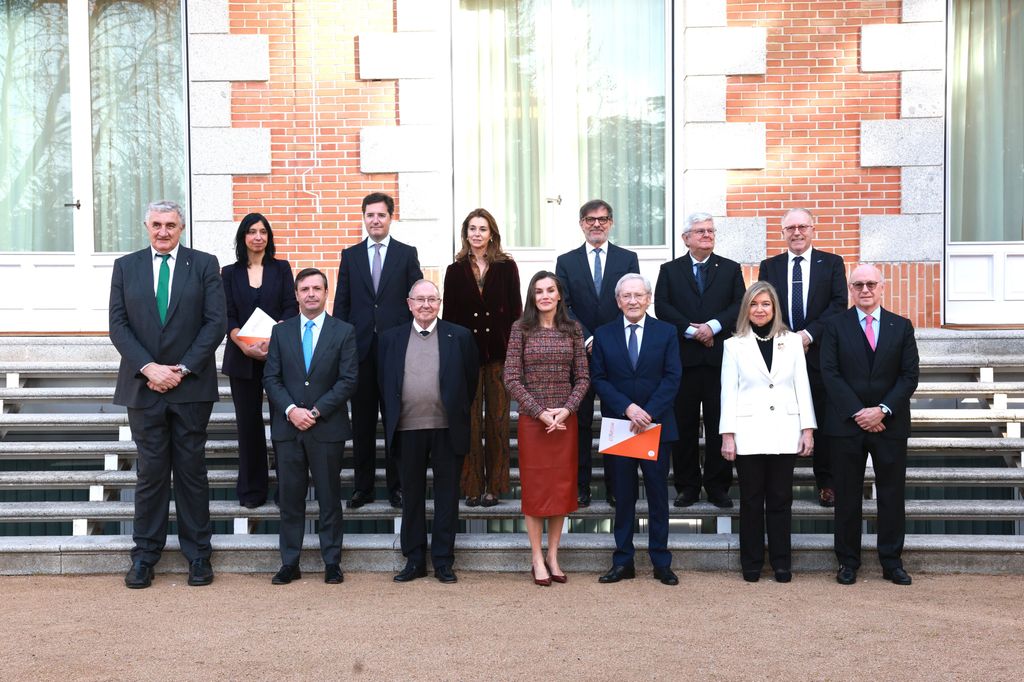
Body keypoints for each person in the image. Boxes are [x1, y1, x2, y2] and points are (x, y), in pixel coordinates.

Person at [109, 200, 226, 589]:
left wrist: (181, 368)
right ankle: (144, 556)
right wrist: (149, 368)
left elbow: (215, 323)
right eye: (156, 224)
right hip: (143, 388)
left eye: (171, 225)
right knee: (151, 474)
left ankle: (198, 557)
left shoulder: (205, 264)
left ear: (182, 228)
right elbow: (118, 325)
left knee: (192, 473)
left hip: (190, 387)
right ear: (146, 226)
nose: (163, 231)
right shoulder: (125, 267)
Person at [820, 264, 919, 586]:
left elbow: (909, 376)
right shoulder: (835, 326)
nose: (865, 290)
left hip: (890, 425)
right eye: (858, 284)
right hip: (846, 426)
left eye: (871, 284)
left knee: (891, 495)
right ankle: (847, 562)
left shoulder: (901, 326)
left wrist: (882, 410)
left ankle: (892, 561)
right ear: (850, 289)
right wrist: (859, 413)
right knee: (847, 496)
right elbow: (830, 373)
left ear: (882, 287)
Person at [379, 280, 479, 584]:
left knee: (447, 497)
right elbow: (384, 383)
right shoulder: (390, 339)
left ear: (440, 303)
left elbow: (470, 382)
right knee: (411, 497)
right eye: (420, 299)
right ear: (409, 303)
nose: (426, 305)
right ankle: (414, 560)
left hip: (447, 428)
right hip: (407, 428)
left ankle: (443, 561)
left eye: (432, 299)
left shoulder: (459, 336)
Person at [262, 268, 358, 585]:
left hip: (326, 428)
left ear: (326, 292)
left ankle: (332, 561)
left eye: (317, 288)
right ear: (296, 294)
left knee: (329, 498)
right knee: (290, 499)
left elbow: (348, 380)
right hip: (288, 430)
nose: (311, 294)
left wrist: (315, 412)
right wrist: (291, 410)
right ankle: (290, 562)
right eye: (305, 289)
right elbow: (271, 378)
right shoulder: (281, 332)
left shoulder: (343, 331)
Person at [720, 281, 816, 583]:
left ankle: (781, 563)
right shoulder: (733, 345)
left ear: (774, 308)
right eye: (754, 304)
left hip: (785, 431)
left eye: (766, 304)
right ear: (746, 308)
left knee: (780, 500)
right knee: (750, 501)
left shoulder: (792, 341)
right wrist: (727, 435)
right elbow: (728, 391)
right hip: (748, 432)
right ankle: (750, 563)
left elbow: (803, 385)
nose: (760, 310)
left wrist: (807, 429)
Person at [333, 192, 423, 509]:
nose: (375, 220)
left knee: (396, 421)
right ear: (364, 217)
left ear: (390, 217)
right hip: (359, 353)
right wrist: (338, 349)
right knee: (363, 423)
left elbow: (419, 300)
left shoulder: (406, 254)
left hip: (397, 352)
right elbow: (342, 304)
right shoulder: (351, 255)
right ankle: (363, 487)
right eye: (370, 215)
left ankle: (397, 488)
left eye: (381, 215)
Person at [591, 274, 682, 586]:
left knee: (658, 496)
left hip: (656, 426)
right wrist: (628, 407)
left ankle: (661, 561)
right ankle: (623, 561)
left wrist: (648, 412)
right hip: (621, 424)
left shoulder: (666, 332)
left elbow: (672, 377)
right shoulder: (603, 335)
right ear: (618, 301)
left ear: (648, 298)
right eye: (626, 296)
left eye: (638, 295)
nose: (632, 301)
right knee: (623, 496)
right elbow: (599, 378)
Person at [504, 271, 589, 585]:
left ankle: (553, 554)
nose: (544, 296)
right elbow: (511, 377)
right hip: (533, 422)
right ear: (532, 296)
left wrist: (566, 410)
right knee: (537, 491)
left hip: (565, 423)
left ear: (559, 295)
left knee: (560, 490)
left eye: (550, 290)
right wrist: (540, 413)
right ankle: (536, 558)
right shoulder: (521, 329)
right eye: (538, 291)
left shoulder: (573, 329)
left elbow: (582, 377)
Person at [654, 212, 745, 509]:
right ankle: (687, 487)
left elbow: (738, 305)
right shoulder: (670, 270)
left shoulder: (730, 269)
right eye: (700, 231)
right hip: (684, 360)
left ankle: (718, 487)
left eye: (710, 230)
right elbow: (662, 306)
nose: (707, 235)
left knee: (721, 423)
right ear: (686, 238)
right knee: (684, 426)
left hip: (721, 360)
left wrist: (713, 327)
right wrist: (693, 331)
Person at [758, 208, 847, 507]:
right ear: (782, 233)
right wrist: (786, 337)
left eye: (802, 227)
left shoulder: (832, 263)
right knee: (778, 412)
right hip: (780, 352)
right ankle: (777, 484)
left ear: (812, 229)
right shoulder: (769, 266)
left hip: (819, 352)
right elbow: (764, 304)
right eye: (790, 228)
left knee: (821, 418)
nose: (797, 233)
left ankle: (827, 482)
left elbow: (838, 304)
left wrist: (807, 336)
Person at [555, 199, 640, 508]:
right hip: (580, 351)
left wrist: (607, 339)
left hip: (618, 351)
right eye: (590, 219)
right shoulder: (566, 261)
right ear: (581, 223)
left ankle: (617, 487)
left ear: (611, 222)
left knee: (617, 417)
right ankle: (581, 485)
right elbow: (565, 305)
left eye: (603, 219)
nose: (597, 224)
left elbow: (631, 300)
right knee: (579, 422)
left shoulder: (627, 258)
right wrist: (589, 339)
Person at [442, 208, 522, 507]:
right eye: (472, 229)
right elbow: (449, 317)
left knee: (498, 421)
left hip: (499, 354)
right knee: (470, 422)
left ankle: (496, 486)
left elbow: (516, 312)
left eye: (482, 229)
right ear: (466, 234)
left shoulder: (506, 267)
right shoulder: (455, 270)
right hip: (466, 356)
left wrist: (515, 350)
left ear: (492, 234)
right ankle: (472, 486)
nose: (477, 234)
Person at [221, 212, 298, 509]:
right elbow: (226, 313)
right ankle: (253, 490)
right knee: (248, 424)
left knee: (282, 421)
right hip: (242, 357)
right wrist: (242, 343)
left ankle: (285, 490)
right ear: (243, 237)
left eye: (263, 231)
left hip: (277, 355)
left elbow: (291, 307)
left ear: (269, 236)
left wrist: (273, 337)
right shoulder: (229, 272)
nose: (257, 236)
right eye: (251, 231)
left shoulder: (281, 268)